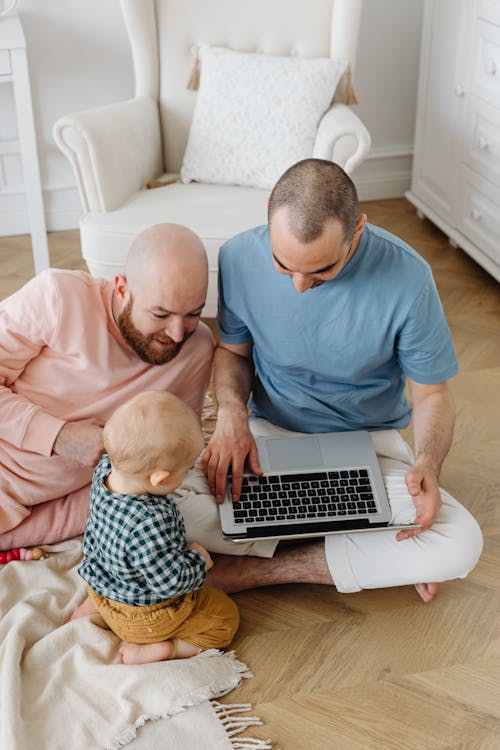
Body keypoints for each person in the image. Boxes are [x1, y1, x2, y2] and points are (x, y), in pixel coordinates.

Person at [201, 158, 483, 603]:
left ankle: (254, 571)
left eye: (321, 271)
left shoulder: (409, 279)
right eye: (282, 264)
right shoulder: (236, 256)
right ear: (268, 212)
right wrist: (231, 414)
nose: (298, 285)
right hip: (269, 439)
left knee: (461, 543)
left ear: (358, 230)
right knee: (170, 507)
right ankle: (371, 552)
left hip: (371, 445)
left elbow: (431, 392)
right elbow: (233, 351)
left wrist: (428, 463)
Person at [0, 223, 214, 550]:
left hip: (29, 509)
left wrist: (25, 534)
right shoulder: (58, 296)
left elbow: (148, 473)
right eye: (160, 313)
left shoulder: (195, 350)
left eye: (193, 314)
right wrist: (58, 435)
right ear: (122, 289)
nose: (176, 333)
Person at [70, 390, 239, 664]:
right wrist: (198, 559)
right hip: (146, 618)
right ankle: (163, 649)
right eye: (185, 469)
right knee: (223, 620)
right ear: (159, 479)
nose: (188, 473)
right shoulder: (149, 521)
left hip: (101, 588)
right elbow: (169, 583)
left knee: (113, 581)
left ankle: (93, 609)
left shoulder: (105, 470)